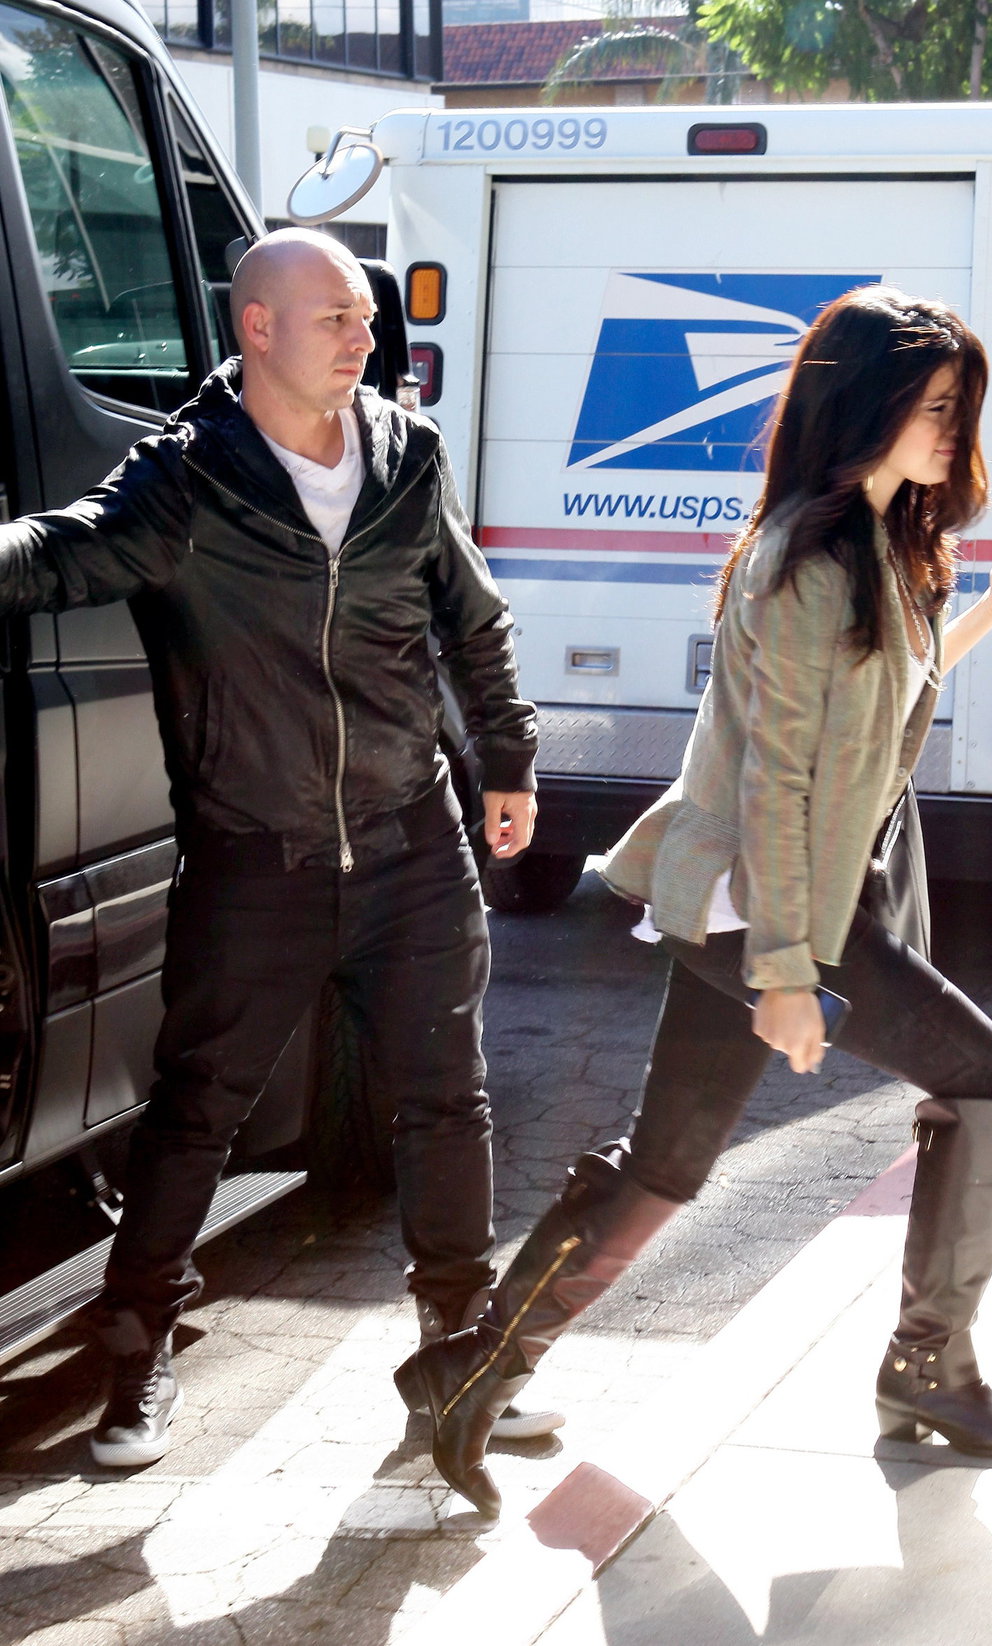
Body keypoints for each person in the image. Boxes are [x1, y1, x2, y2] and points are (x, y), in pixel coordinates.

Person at [396, 285, 992, 1519]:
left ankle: (471, 1363)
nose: (948, 434)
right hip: (775, 903)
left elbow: (878, 709)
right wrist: (791, 975)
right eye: (931, 408)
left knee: (666, 1166)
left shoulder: (876, 546)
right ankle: (932, 1367)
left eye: (957, 411)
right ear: (860, 406)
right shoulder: (814, 560)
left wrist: (989, 614)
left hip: (752, 904)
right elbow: (783, 782)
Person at [0, 229, 561, 1466]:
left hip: (411, 837)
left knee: (445, 1094)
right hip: (259, 857)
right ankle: (137, 1364)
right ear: (257, 328)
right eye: (338, 319)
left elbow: (471, 613)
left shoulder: (408, 453)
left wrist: (509, 756)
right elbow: (65, 550)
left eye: (367, 318)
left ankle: (459, 1351)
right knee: (195, 1113)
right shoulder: (188, 480)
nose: (367, 339)